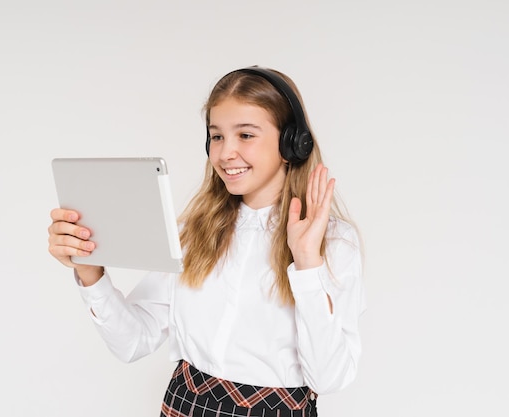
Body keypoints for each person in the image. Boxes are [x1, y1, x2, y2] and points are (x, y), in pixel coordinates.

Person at [48, 66, 366, 417]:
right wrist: (91, 273)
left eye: (245, 135)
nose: (225, 153)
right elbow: (132, 342)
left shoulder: (334, 243)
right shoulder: (194, 233)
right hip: (185, 407)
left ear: (292, 142)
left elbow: (328, 378)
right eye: (216, 136)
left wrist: (307, 262)